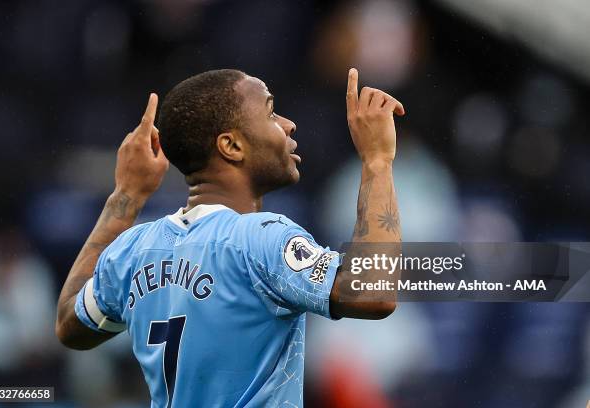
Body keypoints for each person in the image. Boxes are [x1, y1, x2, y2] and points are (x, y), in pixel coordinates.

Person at [56, 68, 404, 407]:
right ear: (231, 145)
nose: (288, 124)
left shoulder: (134, 249)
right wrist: (376, 159)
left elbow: (70, 324)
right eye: (270, 112)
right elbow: (373, 292)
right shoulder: (260, 238)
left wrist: (126, 194)